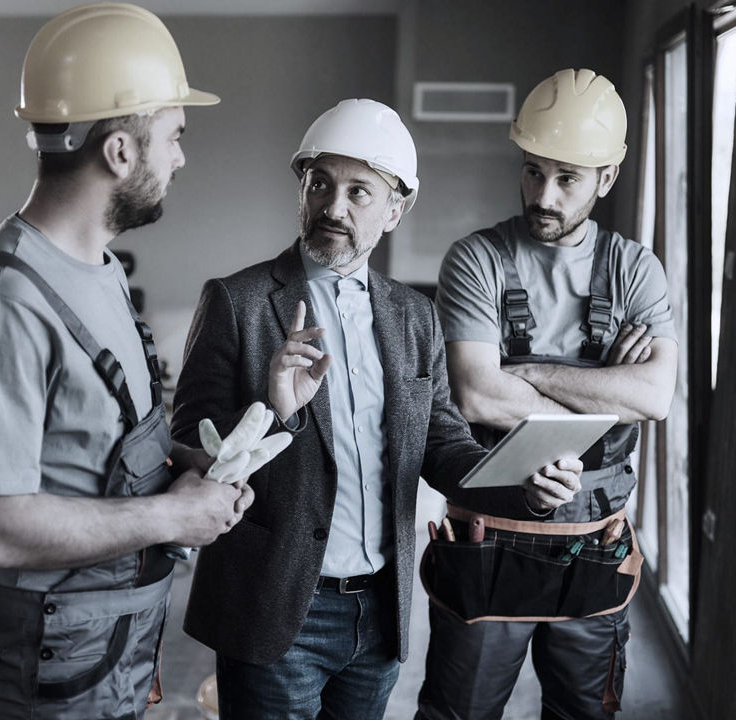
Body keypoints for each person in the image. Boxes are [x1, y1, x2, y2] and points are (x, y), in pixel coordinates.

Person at [170, 98, 583, 720]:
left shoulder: (415, 317)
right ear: (302, 190)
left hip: (379, 615)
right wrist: (270, 409)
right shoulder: (239, 300)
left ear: (396, 209)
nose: (334, 208)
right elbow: (186, 447)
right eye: (320, 185)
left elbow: (442, 444)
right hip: (276, 605)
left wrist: (523, 486)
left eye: (359, 192)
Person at [0, 5, 252, 718]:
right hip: (38, 661)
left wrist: (183, 467)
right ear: (118, 151)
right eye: (173, 137)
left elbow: (82, 445)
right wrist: (170, 519)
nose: (179, 157)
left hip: (106, 640)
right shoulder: (5, 300)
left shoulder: (99, 267)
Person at [415, 68, 679, 720]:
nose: (545, 195)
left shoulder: (635, 270)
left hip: (593, 548)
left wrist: (527, 372)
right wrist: (603, 393)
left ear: (606, 179)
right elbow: (476, 395)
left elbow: (654, 397)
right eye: (534, 172)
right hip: (486, 547)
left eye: (567, 179)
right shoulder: (476, 259)